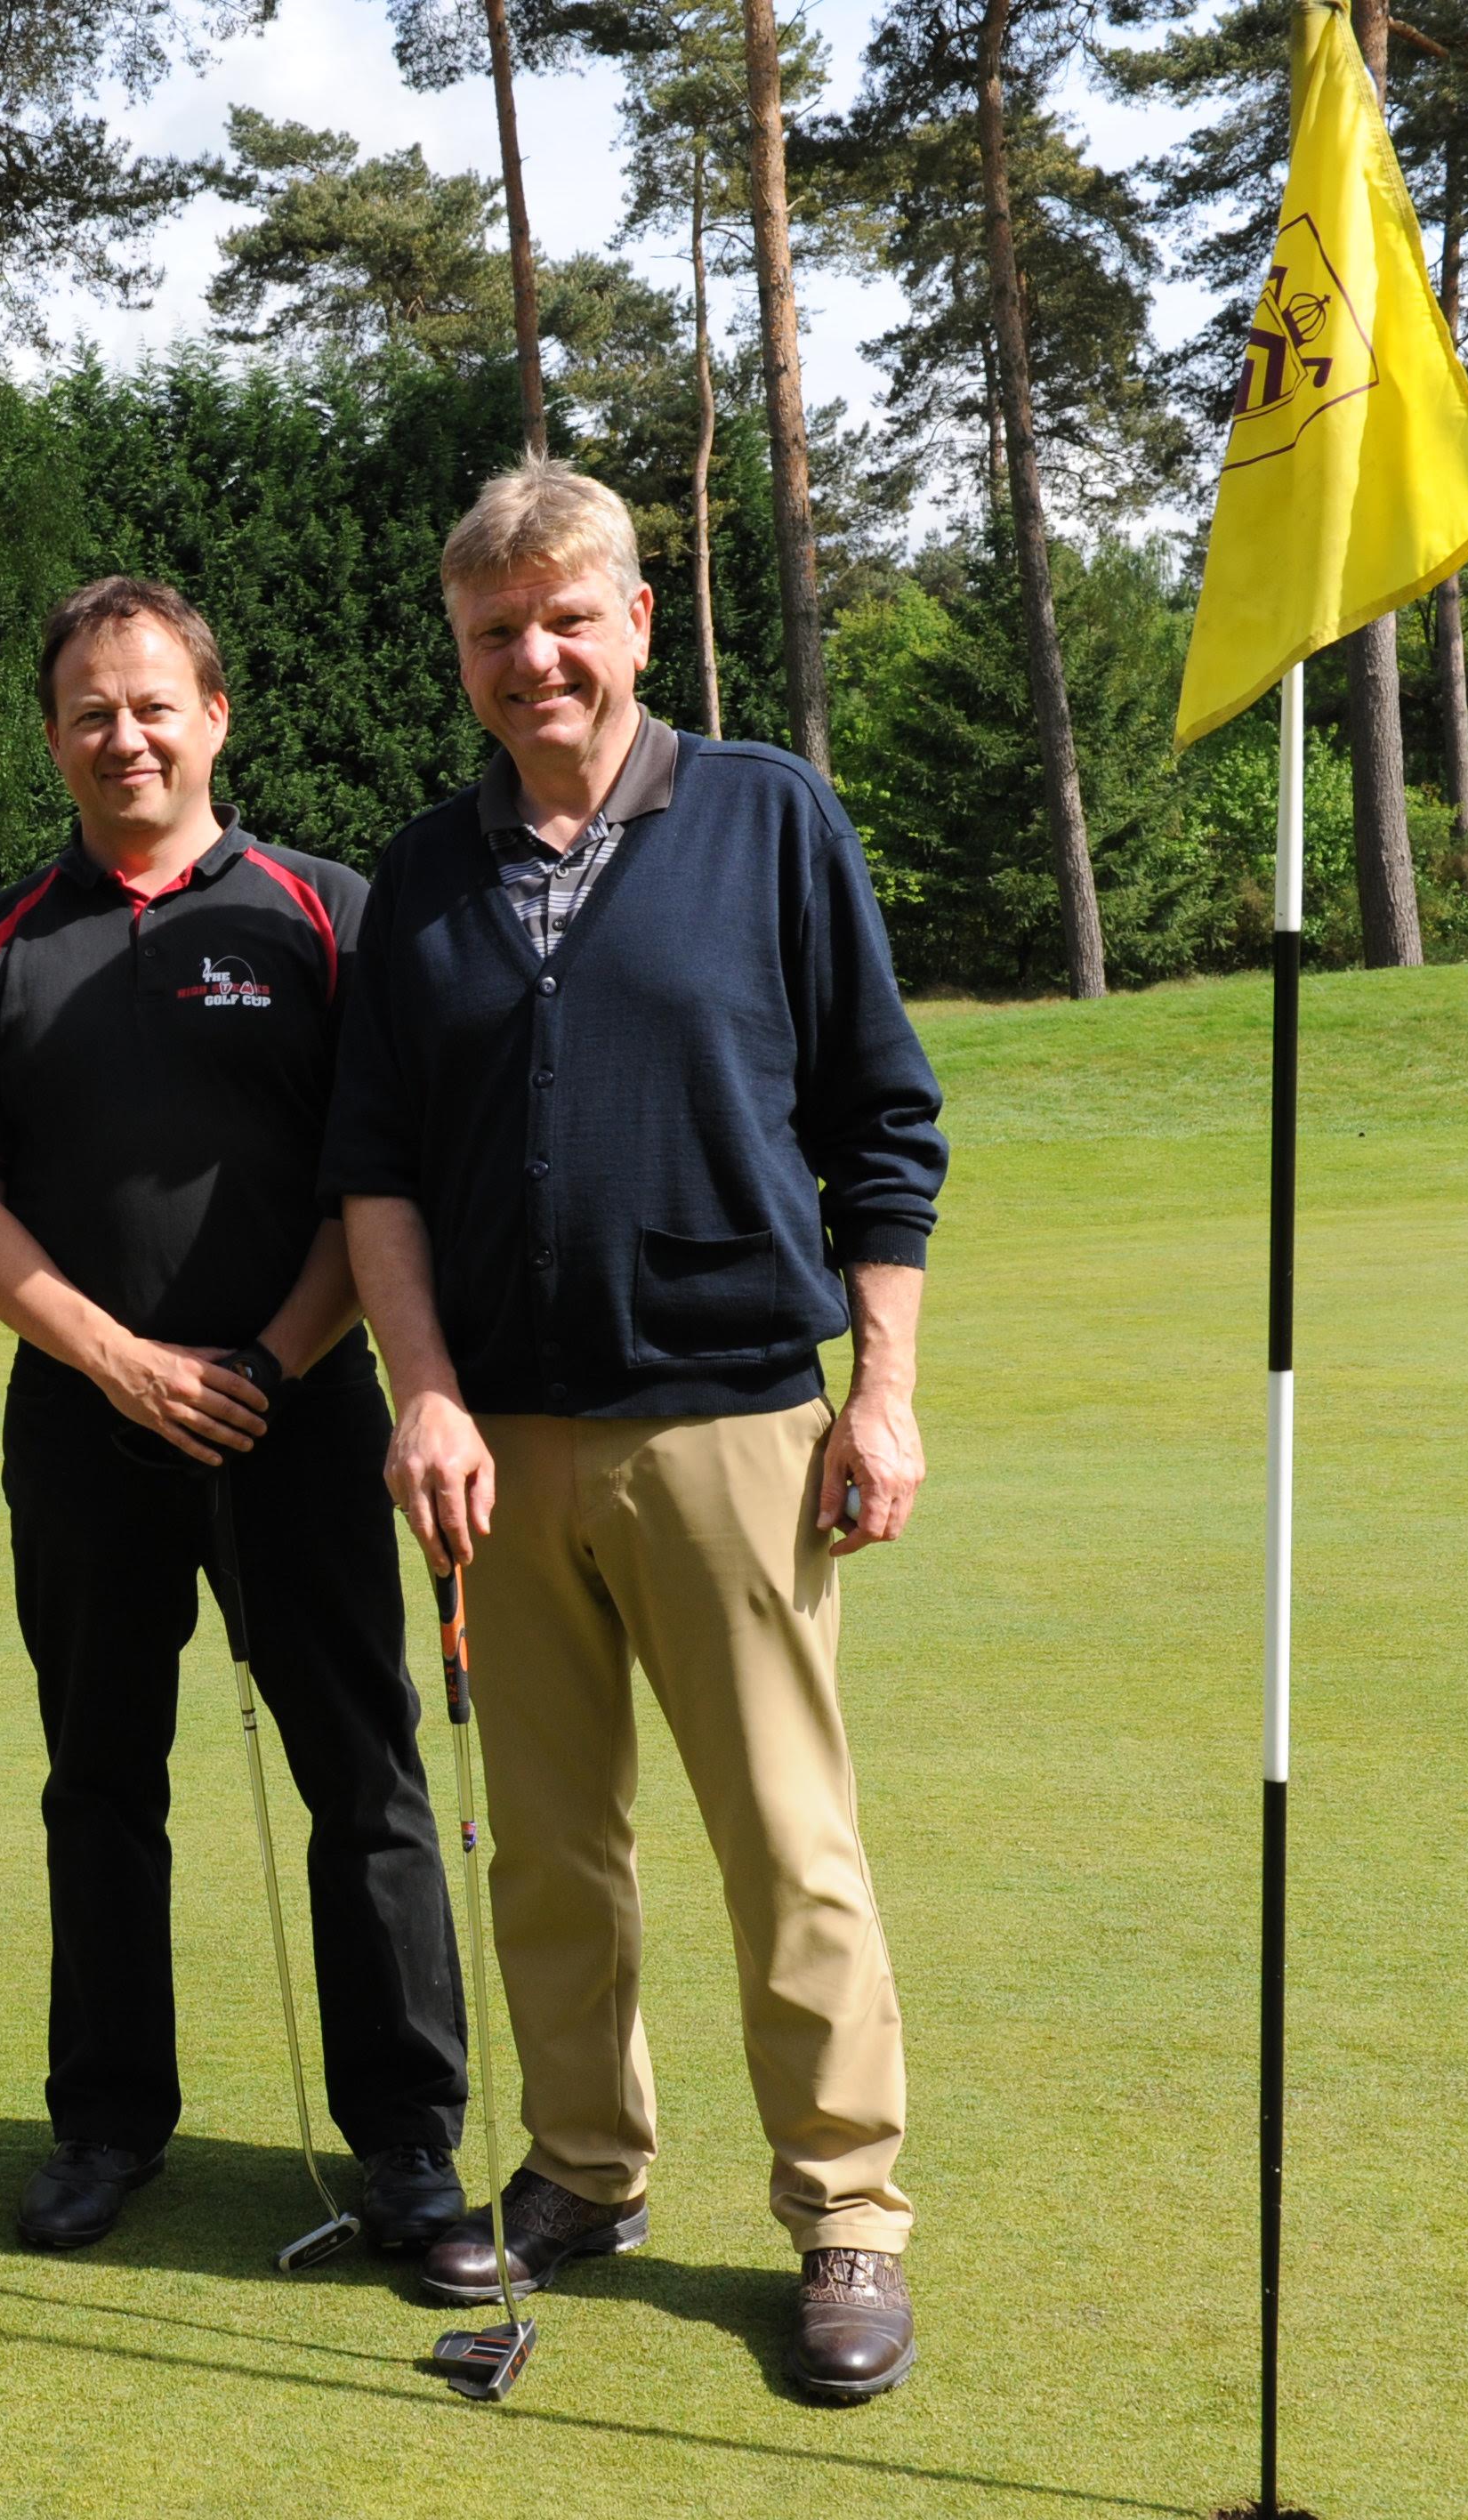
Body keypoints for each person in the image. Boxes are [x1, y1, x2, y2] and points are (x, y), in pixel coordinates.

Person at [320, 461, 948, 2401]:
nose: (534, 660)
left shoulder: (767, 817)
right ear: (462, 654)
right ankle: (587, 2169)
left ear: (638, 621)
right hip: (500, 1443)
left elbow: (882, 1123)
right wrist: (422, 1390)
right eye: (495, 633)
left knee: (787, 1845)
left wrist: (883, 1390)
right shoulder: (423, 876)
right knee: (548, 1850)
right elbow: (376, 1172)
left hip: (733, 1425)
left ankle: (845, 2215)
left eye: (565, 619)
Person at [0, 577, 468, 2255]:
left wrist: (270, 1365)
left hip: (301, 1415)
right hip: (84, 1426)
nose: (125, 736)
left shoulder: (328, 912)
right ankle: (106, 2125)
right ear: (53, 737)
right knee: (98, 1781)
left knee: (363, 1775)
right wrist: (120, 1362)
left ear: (215, 716)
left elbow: (378, 1179)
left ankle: (410, 2144)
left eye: (154, 704)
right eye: (91, 711)